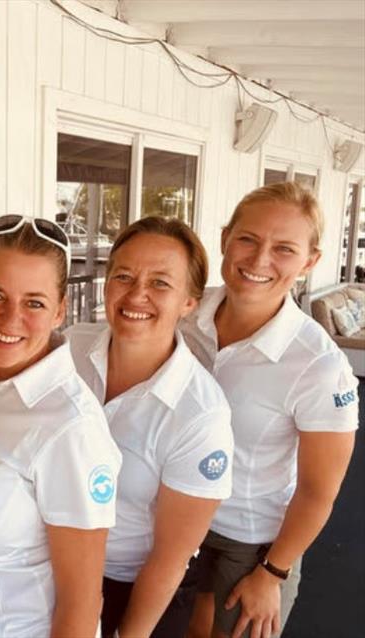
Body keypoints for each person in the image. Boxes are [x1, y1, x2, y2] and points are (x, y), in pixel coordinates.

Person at [183, 182, 359, 638]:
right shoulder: (184, 314)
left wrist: (274, 572)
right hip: (168, 517)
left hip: (249, 537)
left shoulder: (319, 365)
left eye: (284, 248)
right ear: (225, 239)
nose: (260, 260)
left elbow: (319, 491)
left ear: (310, 262)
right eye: (248, 239)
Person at [66, 217, 234, 638]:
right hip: (48, 565)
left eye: (160, 283)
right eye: (123, 275)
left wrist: (130, 634)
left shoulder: (200, 414)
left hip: (130, 586)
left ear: (190, 302)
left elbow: (169, 559)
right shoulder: (67, 349)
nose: (136, 293)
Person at [0, 215, 122, 638]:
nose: (11, 318)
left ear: (60, 310)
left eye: (34, 302)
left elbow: (82, 602)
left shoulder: (70, 427)